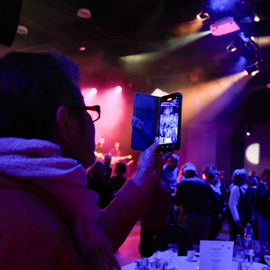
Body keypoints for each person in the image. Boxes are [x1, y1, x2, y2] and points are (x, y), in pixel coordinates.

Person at [0, 51, 168, 269]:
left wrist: (144, 176)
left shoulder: (38, 201)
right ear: (67, 123)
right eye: (87, 110)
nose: (91, 120)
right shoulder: (29, 231)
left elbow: (90, 240)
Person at [174, 162, 217, 246]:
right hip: (205, 218)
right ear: (196, 173)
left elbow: (177, 202)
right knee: (202, 245)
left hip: (190, 217)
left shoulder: (183, 184)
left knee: (189, 244)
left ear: (185, 174)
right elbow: (214, 201)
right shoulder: (205, 184)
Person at [226, 168, 255, 241]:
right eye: (244, 177)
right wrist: (237, 221)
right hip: (236, 219)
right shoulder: (235, 188)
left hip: (240, 218)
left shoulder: (242, 188)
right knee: (235, 239)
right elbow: (232, 206)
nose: (246, 179)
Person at [255, 167, 270, 248]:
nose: (268, 177)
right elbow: (256, 203)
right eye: (267, 175)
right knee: (262, 238)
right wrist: (255, 216)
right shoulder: (260, 186)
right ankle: (262, 257)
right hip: (262, 216)